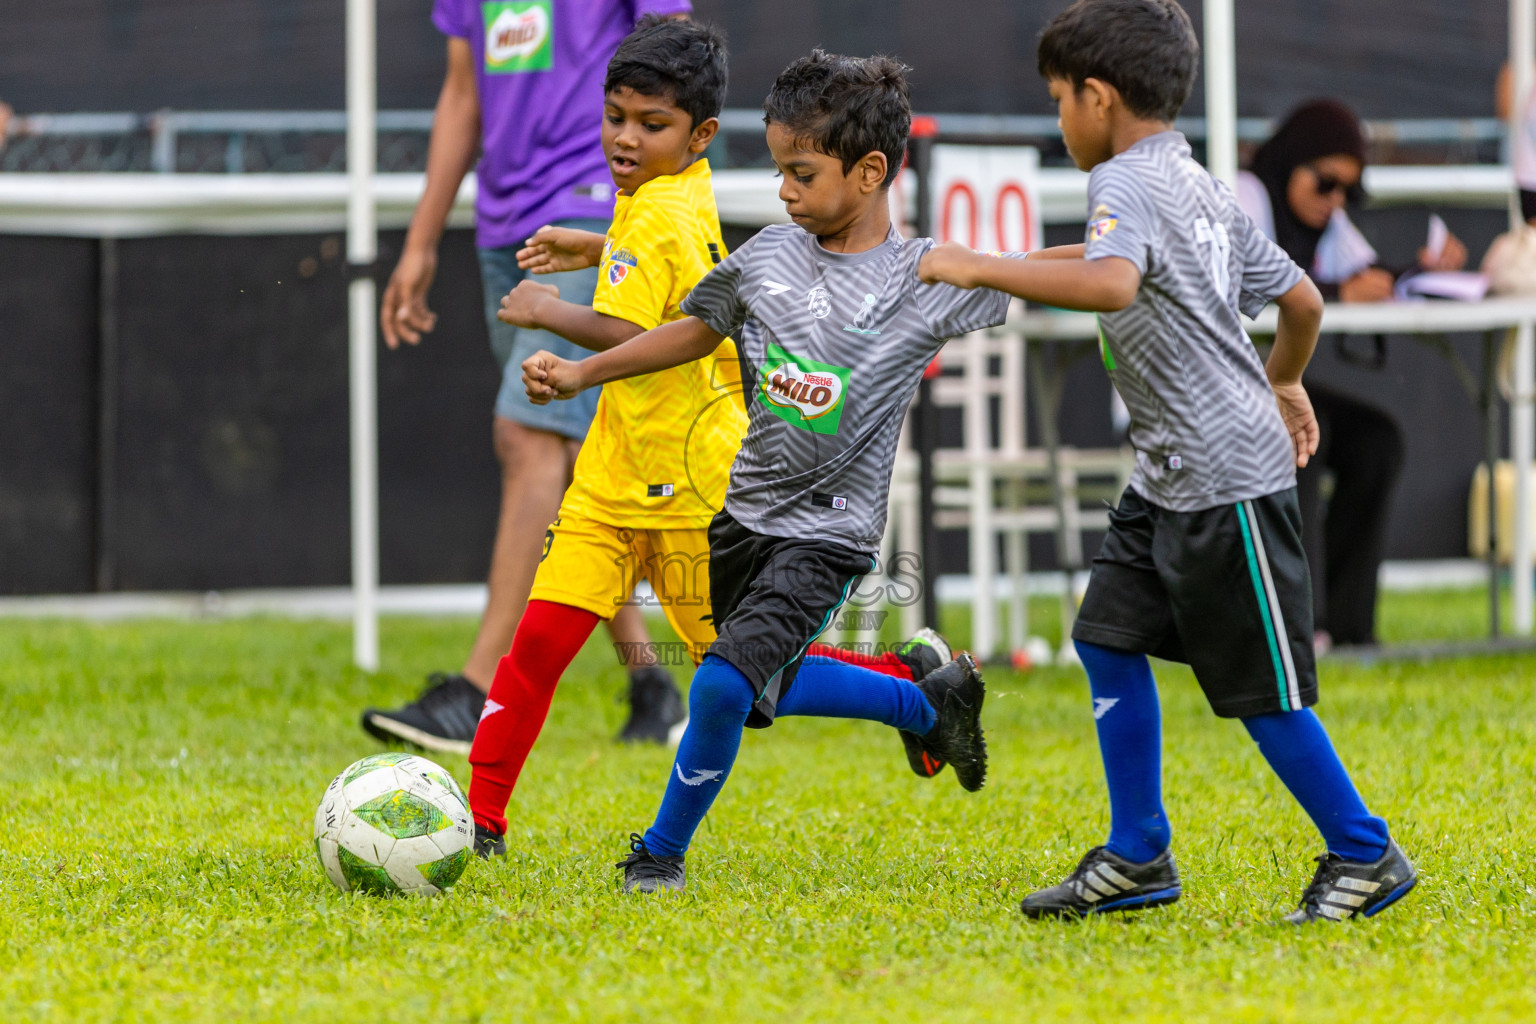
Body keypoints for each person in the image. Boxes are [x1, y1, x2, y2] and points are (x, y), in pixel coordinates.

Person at [920, 0, 1415, 923]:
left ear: (1099, 98)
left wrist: (979, 270)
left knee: (1261, 694)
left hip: (1224, 479)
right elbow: (1302, 300)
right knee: (1105, 638)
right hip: (1168, 475)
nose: (1059, 118)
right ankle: (1141, 851)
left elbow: (1111, 279)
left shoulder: (1123, 184)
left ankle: (1365, 850)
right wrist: (1287, 380)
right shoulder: (1189, 179)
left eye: (1060, 99)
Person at [516, 51, 1008, 893]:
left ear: (871, 171)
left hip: (829, 534)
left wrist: (1128, 261)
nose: (783, 190)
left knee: (717, 688)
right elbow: (693, 328)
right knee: (754, 683)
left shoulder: (920, 277)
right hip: (739, 520)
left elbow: (1033, 272)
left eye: (800, 173)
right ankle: (927, 702)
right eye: (779, 169)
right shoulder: (771, 255)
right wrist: (580, 370)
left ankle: (659, 856)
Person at [360, 0, 693, 753]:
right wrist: (420, 242)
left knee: (528, 438)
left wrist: (644, 221)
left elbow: (679, 63)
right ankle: (651, 677)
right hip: (503, 229)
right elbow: (461, 95)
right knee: (576, 470)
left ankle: (479, 691)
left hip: (593, 216)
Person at [1237, 100, 1465, 649]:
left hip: (1273, 386)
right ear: (1292, 161)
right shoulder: (1243, 195)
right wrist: (1341, 293)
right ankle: (1297, 627)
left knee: (1377, 441)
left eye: (1349, 191)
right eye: (1325, 183)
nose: (1336, 201)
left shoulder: (1328, 220)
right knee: (1308, 435)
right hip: (1218, 390)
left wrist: (1419, 275)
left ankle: (1348, 630)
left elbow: (1364, 273)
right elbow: (1239, 291)